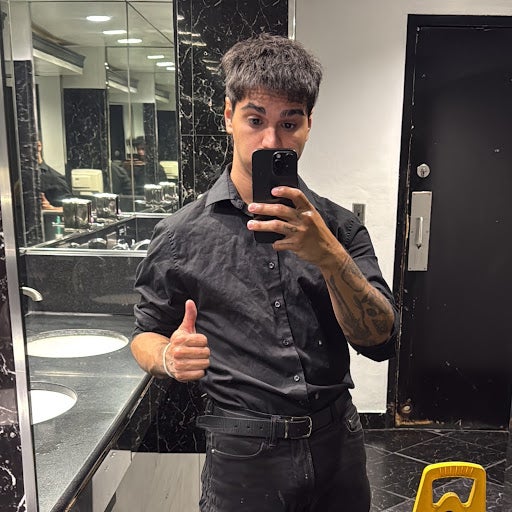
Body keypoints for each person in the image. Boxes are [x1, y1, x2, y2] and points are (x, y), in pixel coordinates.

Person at [131, 33, 399, 512]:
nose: (272, 141)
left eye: (289, 123)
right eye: (255, 120)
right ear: (228, 116)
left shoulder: (339, 228)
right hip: (243, 454)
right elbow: (145, 333)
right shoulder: (179, 235)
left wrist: (330, 257)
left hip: (338, 445)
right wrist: (168, 357)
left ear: (309, 125)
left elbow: (381, 341)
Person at [36, 140, 72, 209]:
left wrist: (51, 208)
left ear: (38, 146)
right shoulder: (18, 178)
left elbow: (70, 209)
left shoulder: (54, 178)